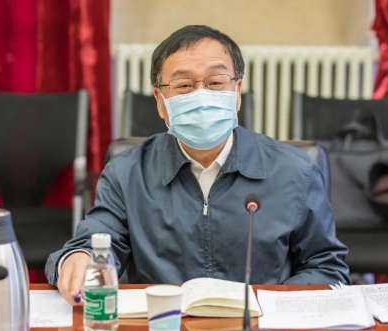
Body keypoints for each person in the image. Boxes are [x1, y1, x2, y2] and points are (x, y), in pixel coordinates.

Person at [46, 25, 349, 305]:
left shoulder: (294, 170)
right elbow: (96, 242)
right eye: (184, 85)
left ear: (237, 92)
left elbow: (326, 266)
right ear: (160, 101)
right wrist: (77, 259)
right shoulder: (126, 172)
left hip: (258, 330)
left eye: (215, 82)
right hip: (163, 327)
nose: (202, 96)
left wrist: (268, 305)